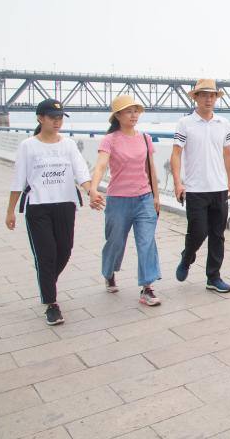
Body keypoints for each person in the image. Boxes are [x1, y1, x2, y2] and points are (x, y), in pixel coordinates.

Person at [5, 99, 95, 325]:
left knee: (64, 252)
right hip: (38, 206)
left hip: (65, 205)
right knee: (47, 255)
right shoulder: (28, 145)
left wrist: (91, 192)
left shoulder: (68, 145)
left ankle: (46, 280)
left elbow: (81, 172)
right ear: (40, 118)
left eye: (60, 118)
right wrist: (10, 211)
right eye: (52, 118)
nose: (57, 122)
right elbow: (18, 179)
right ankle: (51, 304)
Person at [88, 95, 162, 306]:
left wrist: (155, 196)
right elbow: (101, 166)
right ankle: (109, 271)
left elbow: (151, 169)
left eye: (136, 110)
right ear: (117, 116)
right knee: (116, 241)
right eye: (128, 111)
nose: (133, 115)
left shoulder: (145, 138)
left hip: (144, 199)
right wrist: (93, 189)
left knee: (147, 242)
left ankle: (147, 288)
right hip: (118, 200)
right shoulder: (110, 140)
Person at [170, 79, 230, 293]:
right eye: (204, 95)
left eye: (213, 95)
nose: (209, 99)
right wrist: (178, 183)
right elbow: (176, 154)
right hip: (195, 189)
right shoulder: (185, 123)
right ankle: (187, 258)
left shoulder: (223, 123)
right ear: (195, 97)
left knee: (218, 234)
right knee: (197, 233)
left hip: (218, 188)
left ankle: (213, 277)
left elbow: (227, 153)